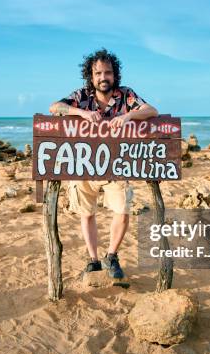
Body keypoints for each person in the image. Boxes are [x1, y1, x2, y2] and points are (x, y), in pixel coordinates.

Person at [49, 48, 159, 279]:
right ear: (91, 75)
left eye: (107, 72)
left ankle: (112, 255)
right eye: (98, 73)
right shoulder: (82, 95)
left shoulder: (126, 94)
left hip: (115, 165)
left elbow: (151, 110)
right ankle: (93, 260)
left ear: (114, 75)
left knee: (122, 210)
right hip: (84, 164)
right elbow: (55, 107)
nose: (103, 77)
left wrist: (128, 115)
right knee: (86, 213)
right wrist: (81, 113)